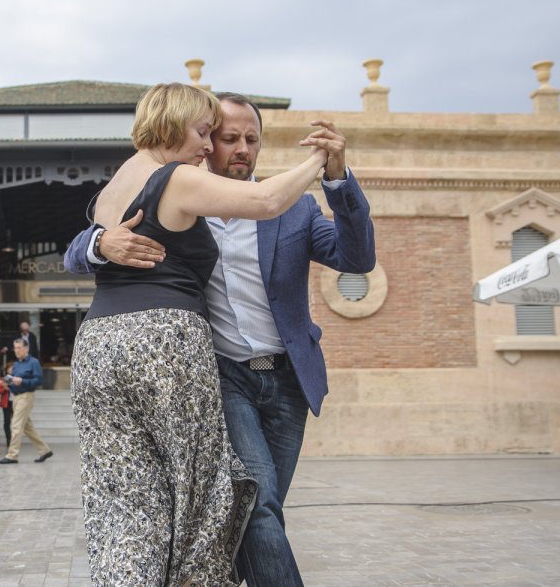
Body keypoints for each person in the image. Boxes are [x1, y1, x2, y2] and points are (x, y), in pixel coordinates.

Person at [66, 90, 374, 586]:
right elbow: (88, 241)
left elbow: (356, 258)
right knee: (248, 504)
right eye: (223, 136)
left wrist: (337, 178)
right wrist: (100, 242)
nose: (234, 148)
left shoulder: (297, 210)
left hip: (285, 380)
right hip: (218, 374)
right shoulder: (183, 185)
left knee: (243, 511)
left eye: (251, 138)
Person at [0, 338, 52, 465]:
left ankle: (12, 455)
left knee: (16, 426)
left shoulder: (33, 362)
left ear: (26, 348)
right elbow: (14, 382)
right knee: (28, 427)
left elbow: (39, 380)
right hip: (16, 397)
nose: (16, 350)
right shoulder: (16, 364)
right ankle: (45, 450)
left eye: (19, 348)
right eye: (15, 348)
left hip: (26, 396)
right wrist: (8, 383)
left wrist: (23, 381)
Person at [0, 361, 14, 447]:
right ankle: (9, 440)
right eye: (10, 368)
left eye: (13, 368)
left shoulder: (17, 378)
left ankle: (15, 439)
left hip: (16, 402)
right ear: (6, 370)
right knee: (7, 422)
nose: (11, 370)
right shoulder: (2, 379)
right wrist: (4, 388)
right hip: (7, 403)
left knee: (16, 422)